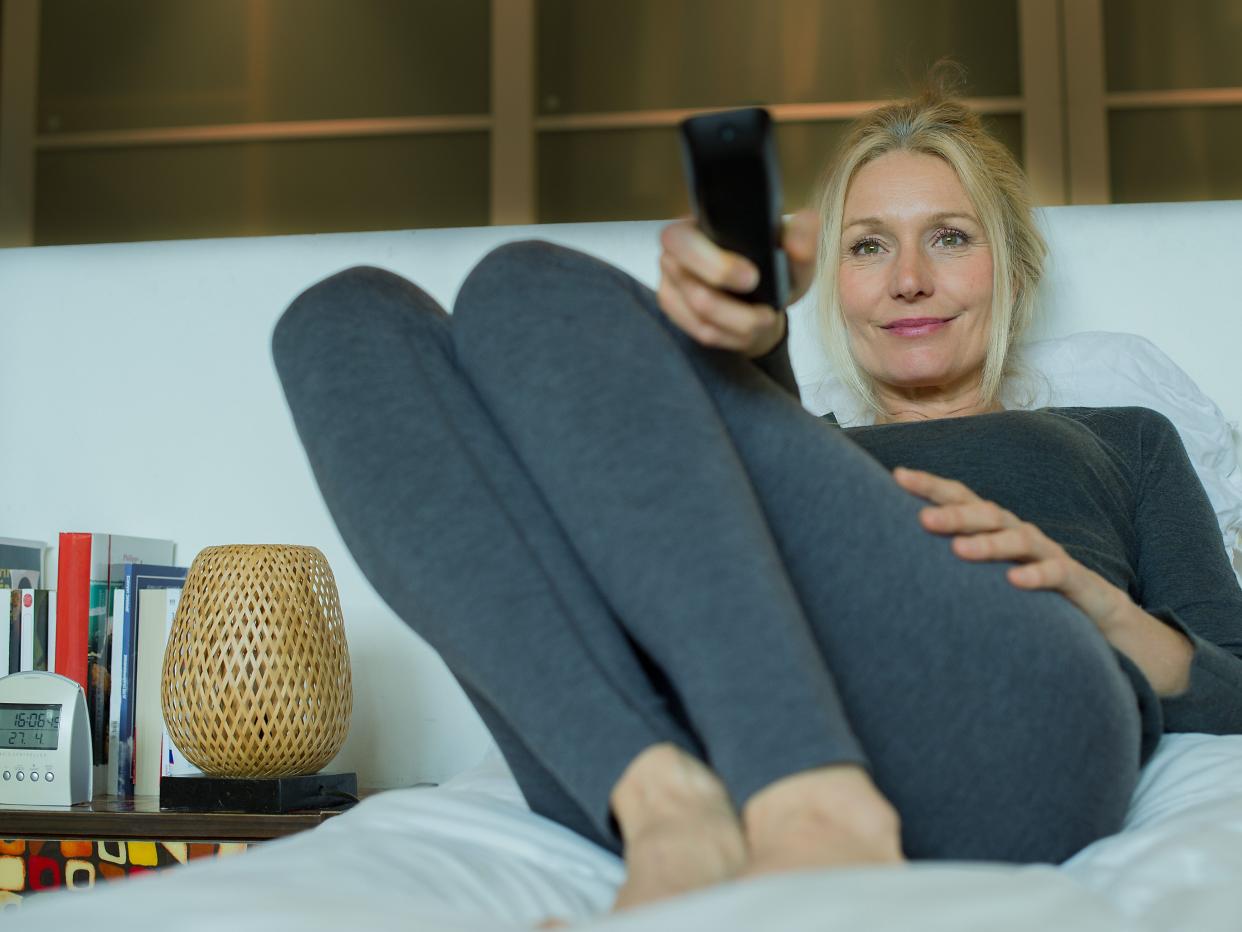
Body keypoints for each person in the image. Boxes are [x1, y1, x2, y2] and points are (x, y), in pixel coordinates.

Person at [270, 77, 1242, 924]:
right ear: (835, 285)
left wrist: (1103, 606)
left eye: (949, 237)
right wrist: (745, 320)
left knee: (528, 286)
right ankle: (668, 810)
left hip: (999, 725)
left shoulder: (1122, 437)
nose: (908, 279)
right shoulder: (789, 442)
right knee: (340, 324)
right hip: (692, 742)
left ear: (1014, 266)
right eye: (866, 247)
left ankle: (817, 808)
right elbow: (755, 448)